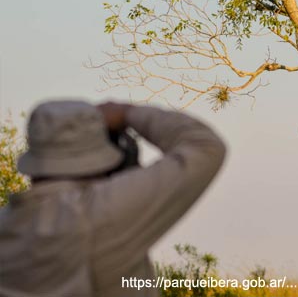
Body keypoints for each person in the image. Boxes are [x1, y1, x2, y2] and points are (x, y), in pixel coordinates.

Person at [0, 100, 226, 297]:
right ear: (102, 157)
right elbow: (205, 147)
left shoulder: (7, 226)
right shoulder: (99, 213)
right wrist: (127, 113)